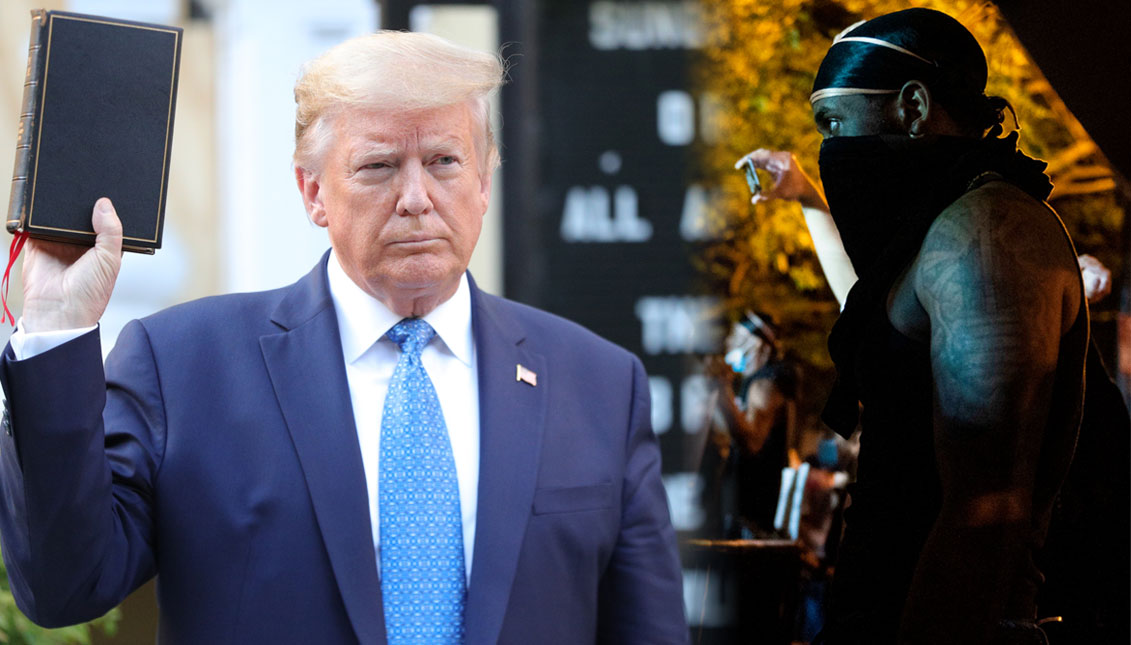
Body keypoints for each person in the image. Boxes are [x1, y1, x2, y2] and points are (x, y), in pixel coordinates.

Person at [0, 31, 688, 644]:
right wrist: (58, 325)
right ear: (312, 192)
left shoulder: (599, 384)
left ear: (484, 179)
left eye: (444, 161)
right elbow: (64, 585)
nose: (416, 196)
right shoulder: (183, 365)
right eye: (379, 165)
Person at [738, 8, 1087, 644]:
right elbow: (880, 322)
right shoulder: (947, 227)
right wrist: (811, 202)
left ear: (914, 107)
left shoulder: (985, 235)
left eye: (835, 122)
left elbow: (987, 509)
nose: (832, 145)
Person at [700, 311, 799, 538]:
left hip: (751, 514)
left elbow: (752, 442)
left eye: (737, 336)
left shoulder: (766, 383)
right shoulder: (755, 382)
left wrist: (722, 387)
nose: (729, 343)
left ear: (759, 345)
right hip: (741, 509)